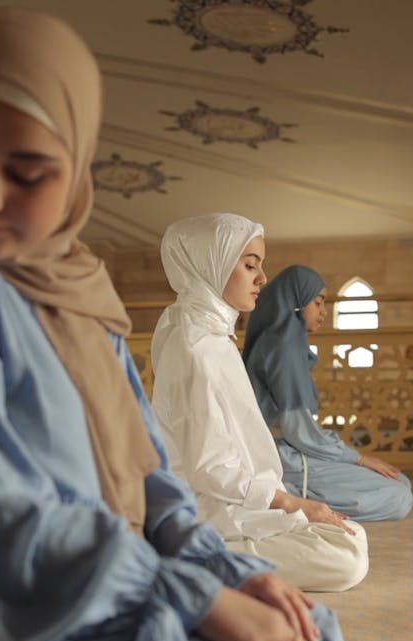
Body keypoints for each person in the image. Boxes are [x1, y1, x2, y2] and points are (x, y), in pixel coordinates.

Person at [0, 9, 399, 641]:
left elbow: (152, 475)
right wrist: (198, 603)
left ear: (74, 178)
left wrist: (226, 572)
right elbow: (11, 534)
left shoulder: (79, 294)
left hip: (129, 568)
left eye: (28, 172)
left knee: (310, 639)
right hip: (23, 615)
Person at [151, 214, 369, 593]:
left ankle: (208, 556)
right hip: (206, 507)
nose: (262, 278)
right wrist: (292, 503)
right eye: (250, 264)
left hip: (234, 500)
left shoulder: (210, 333)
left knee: (351, 537)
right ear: (210, 265)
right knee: (345, 558)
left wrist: (292, 506)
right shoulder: (193, 345)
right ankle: (195, 561)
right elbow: (209, 469)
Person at [242, 264, 413, 521]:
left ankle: (296, 495)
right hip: (285, 459)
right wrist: (359, 459)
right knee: (400, 497)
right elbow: (301, 434)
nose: (323, 312)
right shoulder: (282, 350)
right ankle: (293, 500)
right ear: (297, 303)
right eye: (318, 303)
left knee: (400, 483)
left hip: (290, 454)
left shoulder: (280, 343)